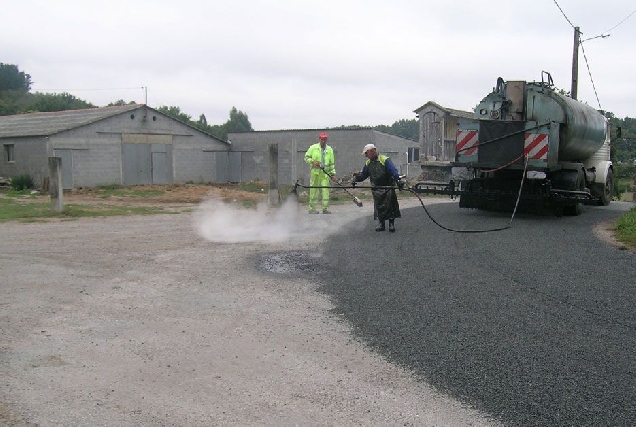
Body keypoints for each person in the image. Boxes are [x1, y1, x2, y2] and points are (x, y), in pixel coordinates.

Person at [352, 143, 404, 232]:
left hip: (388, 186)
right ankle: (381, 224)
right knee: (379, 206)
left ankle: (391, 224)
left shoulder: (384, 159)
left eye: (366, 154)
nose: (366, 156)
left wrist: (398, 179)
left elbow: (393, 171)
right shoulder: (368, 163)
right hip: (376, 188)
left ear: (372, 152)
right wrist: (356, 179)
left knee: (391, 206)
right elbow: (363, 175)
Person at [304, 132, 336, 214]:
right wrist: (312, 162)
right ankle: (312, 209)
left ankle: (325, 209)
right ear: (319, 139)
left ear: (326, 140)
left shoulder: (330, 150)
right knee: (314, 191)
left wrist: (333, 174)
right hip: (315, 173)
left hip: (325, 174)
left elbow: (332, 163)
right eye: (322, 139)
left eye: (325, 139)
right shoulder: (313, 148)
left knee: (325, 191)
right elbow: (306, 157)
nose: (323, 141)